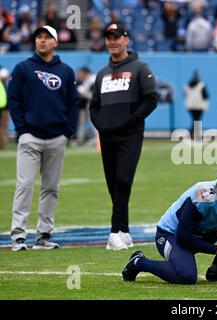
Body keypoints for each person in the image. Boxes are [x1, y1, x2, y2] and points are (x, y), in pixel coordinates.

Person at [121, 161, 217, 284]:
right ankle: (139, 262)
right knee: (186, 276)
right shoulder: (203, 197)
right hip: (170, 235)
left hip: (198, 234)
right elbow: (183, 237)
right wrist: (216, 249)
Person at [89, 23, 159, 250]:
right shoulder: (102, 74)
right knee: (113, 185)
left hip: (130, 136)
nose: (112, 42)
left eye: (116, 37)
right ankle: (124, 230)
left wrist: (129, 121)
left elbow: (151, 99)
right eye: (108, 38)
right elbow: (93, 106)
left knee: (123, 181)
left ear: (126, 40)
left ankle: (114, 232)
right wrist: (101, 126)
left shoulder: (140, 68)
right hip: (108, 138)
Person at [8, 25, 78, 251]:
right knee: (25, 185)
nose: (42, 41)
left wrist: (67, 132)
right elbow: (14, 101)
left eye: (47, 37)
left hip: (56, 138)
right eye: (39, 37)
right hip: (30, 138)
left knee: (51, 188)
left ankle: (44, 235)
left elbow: (73, 103)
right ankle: (18, 236)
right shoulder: (22, 68)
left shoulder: (66, 71)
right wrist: (22, 130)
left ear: (56, 42)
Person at [184, 70, 208, 140]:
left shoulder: (187, 85)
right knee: (197, 120)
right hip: (199, 105)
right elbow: (205, 95)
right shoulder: (201, 85)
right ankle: (194, 135)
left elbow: (185, 95)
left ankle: (192, 134)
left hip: (190, 106)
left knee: (195, 120)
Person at [76, 66, 95, 146]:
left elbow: (83, 90)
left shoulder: (91, 78)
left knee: (94, 123)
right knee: (84, 123)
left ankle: (95, 140)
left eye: (81, 73)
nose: (79, 74)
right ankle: (81, 140)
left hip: (93, 103)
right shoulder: (90, 78)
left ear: (85, 72)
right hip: (86, 105)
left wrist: (79, 90)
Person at [0, 67, 9, 148]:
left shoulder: (4, 85)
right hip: (4, 107)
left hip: (5, 108)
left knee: (3, 126)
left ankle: (3, 143)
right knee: (3, 127)